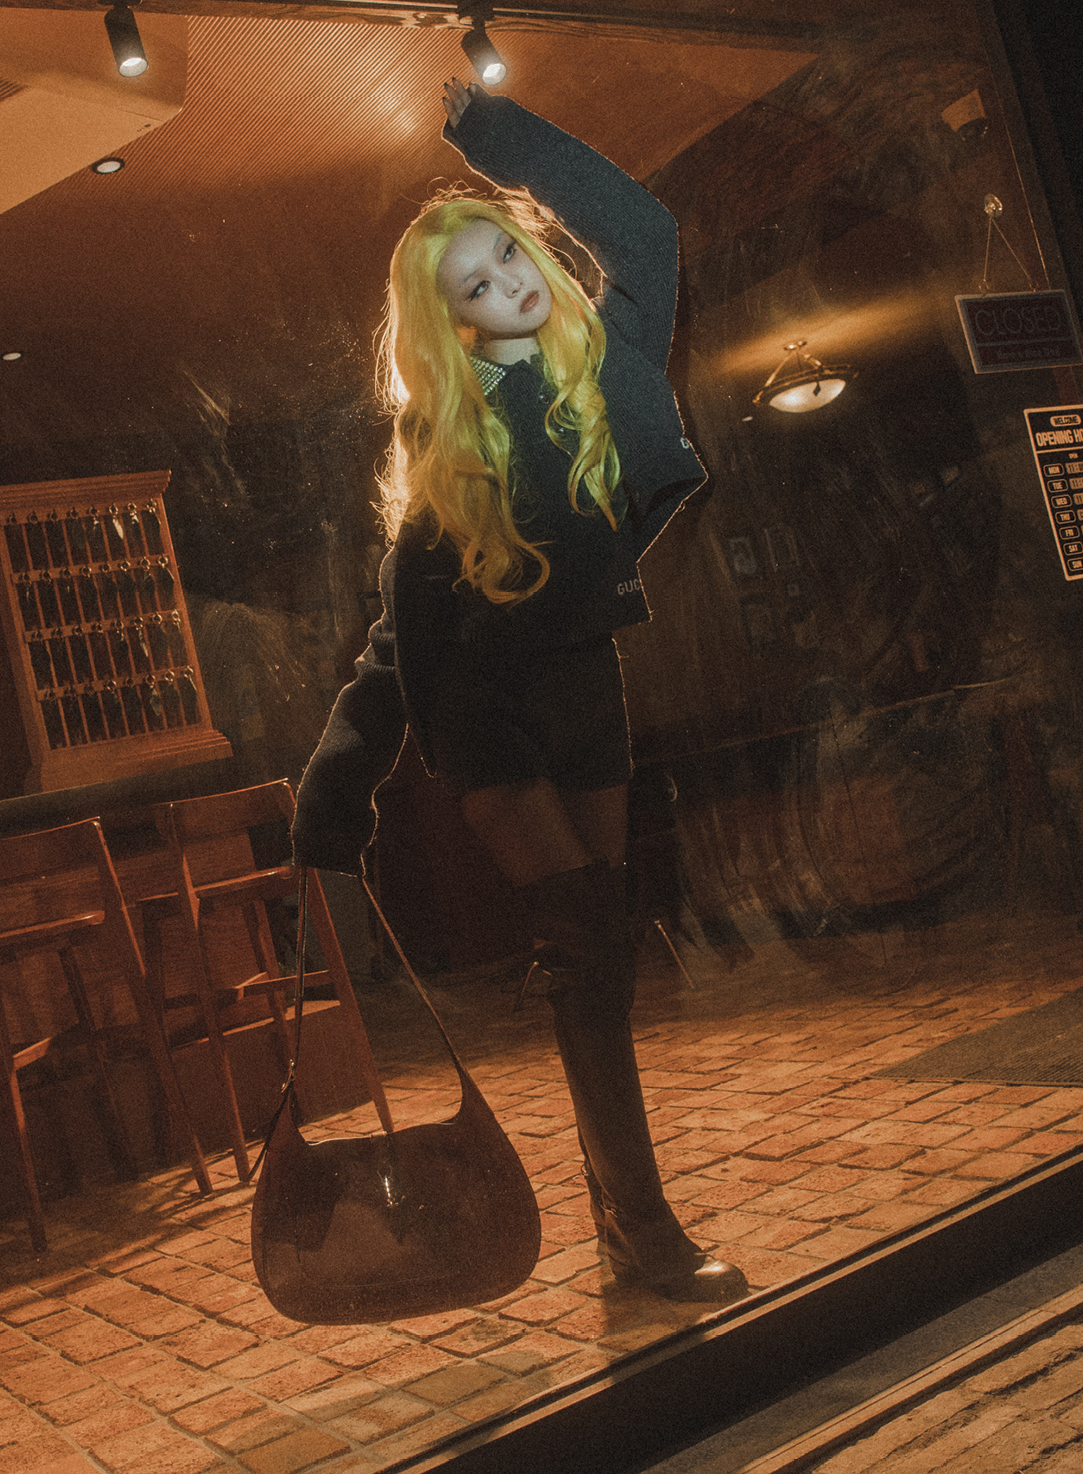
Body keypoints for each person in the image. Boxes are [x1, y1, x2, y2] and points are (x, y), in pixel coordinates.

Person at [291, 79, 744, 1304]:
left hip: (587, 689)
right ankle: (645, 1230)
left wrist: (494, 135)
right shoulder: (450, 449)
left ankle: (624, 1227)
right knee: (585, 936)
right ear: (449, 327)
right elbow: (403, 637)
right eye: (476, 287)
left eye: (507, 256)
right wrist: (343, 776)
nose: (509, 285)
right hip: (485, 716)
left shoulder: (603, 376)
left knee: (604, 956)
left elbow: (643, 231)